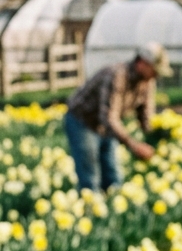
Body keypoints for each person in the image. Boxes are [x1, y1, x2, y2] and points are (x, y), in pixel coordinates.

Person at [64, 43, 172, 190]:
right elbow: (109, 117)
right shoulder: (116, 75)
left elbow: (145, 113)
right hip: (83, 122)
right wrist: (134, 145)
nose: (157, 75)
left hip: (106, 126)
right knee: (90, 176)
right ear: (141, 63)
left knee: (113, 175)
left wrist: (156, 138)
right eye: (155, 70)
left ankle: (110, 209)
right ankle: (91, 209)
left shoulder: (147, 81)